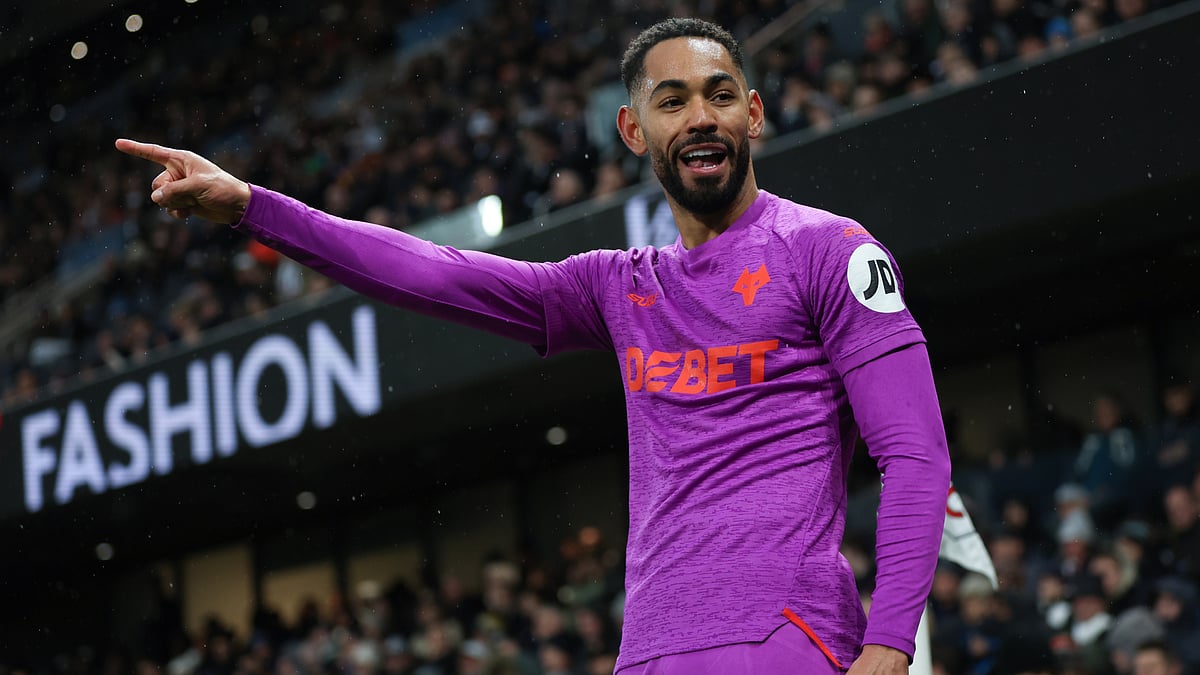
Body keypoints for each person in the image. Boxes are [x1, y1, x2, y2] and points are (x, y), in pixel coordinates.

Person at [116, 18, 951, 674]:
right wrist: (254, 207)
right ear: (633, 129)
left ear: (754, 113)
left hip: (791, 639)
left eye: (721, 95)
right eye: (673, 101)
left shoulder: (831, 251)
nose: (701, 117)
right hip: (652, 650)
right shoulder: (618, 285)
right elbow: (438, 274)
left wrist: (889, 644)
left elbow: (915, 454)